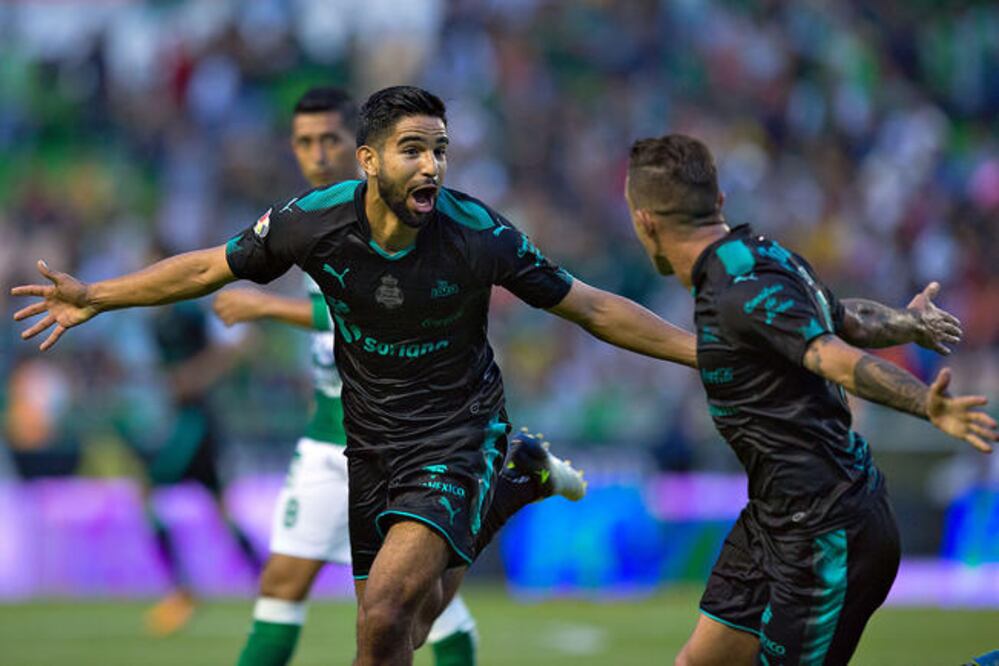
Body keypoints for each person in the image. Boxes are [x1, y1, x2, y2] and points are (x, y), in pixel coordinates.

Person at [11, 85, 698, 665]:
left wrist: (701, 351)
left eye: (439, 151)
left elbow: (591, 307)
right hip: (370, 446)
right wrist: (97, 296)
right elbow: (203, 267)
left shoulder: (478, 234)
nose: (431, 165)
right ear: (368, 161)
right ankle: (518, 482)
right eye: (412, 150)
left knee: (383, 616)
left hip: (456, 436)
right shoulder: (312, 222)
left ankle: (504, 470)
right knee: (401, 626)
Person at [623, 133, 998, 665]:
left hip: (828, 527)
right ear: (720, 203)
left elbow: (830, 353)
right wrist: (907, 323)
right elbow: (845, 318)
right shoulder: (763, 256)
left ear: (645, 222)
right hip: (776, 516)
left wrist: (926, 404)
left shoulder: (739, 288)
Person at [214, 86, 479, 666]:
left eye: (329, 140)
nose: (317, 154)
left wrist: (265, 308)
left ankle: (506, 496)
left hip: (398, 439)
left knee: (406, 607)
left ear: (362, 150)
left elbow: (369, 307)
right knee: (330, 592)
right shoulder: (311, 220)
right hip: (330, 434)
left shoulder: (395, 221)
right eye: (305, 143)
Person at [140, 252, 263, 636]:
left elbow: (233, 348)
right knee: (221, 509)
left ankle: (182, 590)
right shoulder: (155, 322)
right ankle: (266, 581)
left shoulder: (189, 315)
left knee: (147, 493)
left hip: (195, 421)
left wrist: (195, 376)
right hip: (185, 420)